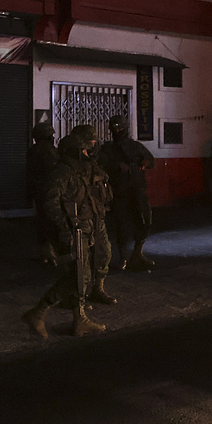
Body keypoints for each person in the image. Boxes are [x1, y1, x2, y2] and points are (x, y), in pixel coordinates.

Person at [21, 131, 109, 338]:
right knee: (78, 276)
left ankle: (79, 320)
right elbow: (50, 203)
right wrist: (64, 230)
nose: (89, 153)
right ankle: (38, 312)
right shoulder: (62, 172)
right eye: (86, 150)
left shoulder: (80, 170)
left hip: (83, 229)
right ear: (76, 151)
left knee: (81, 276)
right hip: (71, 230)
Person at [98, 115, 156, 271]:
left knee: (144, 222)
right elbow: (100, 165)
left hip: (137, 189)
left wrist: (144, 163)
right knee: (121, 226)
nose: (117, 131)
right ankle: (123, 257)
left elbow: (151, 160)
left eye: (120, 128)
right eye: (114, 128)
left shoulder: (135, 146)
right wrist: (117, 166)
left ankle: (138, 253)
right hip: (120, 191)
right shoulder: (107, 149)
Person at [70, 124, 116, 305]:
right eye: (91, 139)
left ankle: (98, 289)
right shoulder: (72, 162)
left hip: (97, 214)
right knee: (81, 262)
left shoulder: (93, 161)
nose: (94, 142)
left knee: (104, 252)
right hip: (81, 217)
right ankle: (78, 299)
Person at [26, 122, 59, 265]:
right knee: (51, 222)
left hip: (38, 192)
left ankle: (45, 252)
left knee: (41, 221)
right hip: (49, 192)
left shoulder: (33, 151)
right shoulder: (50, 152)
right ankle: (51, 253)